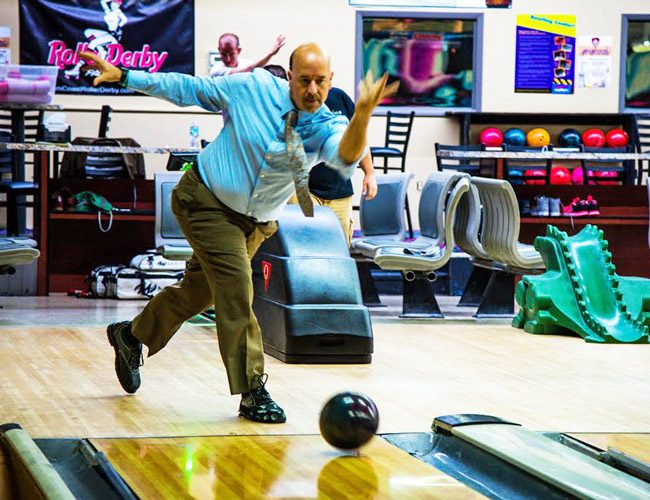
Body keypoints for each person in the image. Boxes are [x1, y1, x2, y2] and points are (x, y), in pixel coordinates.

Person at [79, 44, 397, 424]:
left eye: (321, 82)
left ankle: (131, 336)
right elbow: (189, 89)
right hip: (205, 201)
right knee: (236, 288)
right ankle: (252, 391)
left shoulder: (326, 124)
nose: (312, 90)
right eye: (305, 81)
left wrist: (362, 115)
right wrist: (127, 76)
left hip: (256, 221)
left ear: (331, 81)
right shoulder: (252, 88)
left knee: (202, 291)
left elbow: (345, 156)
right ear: (290, 77)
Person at [264, 66, 377, 243]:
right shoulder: (290, 105)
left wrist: (369, 173)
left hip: (339, 190)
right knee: (309, 245)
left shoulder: (340, 98)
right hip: (305, 190)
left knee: (340, 248)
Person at [210, 33, 286, 77]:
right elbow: (248, 69)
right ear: (219, 50)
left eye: (232, 54)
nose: (228, 59)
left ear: (239, 50)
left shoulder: (248, 64)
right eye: (223, 54)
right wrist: (270, 54)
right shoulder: (216, 70)